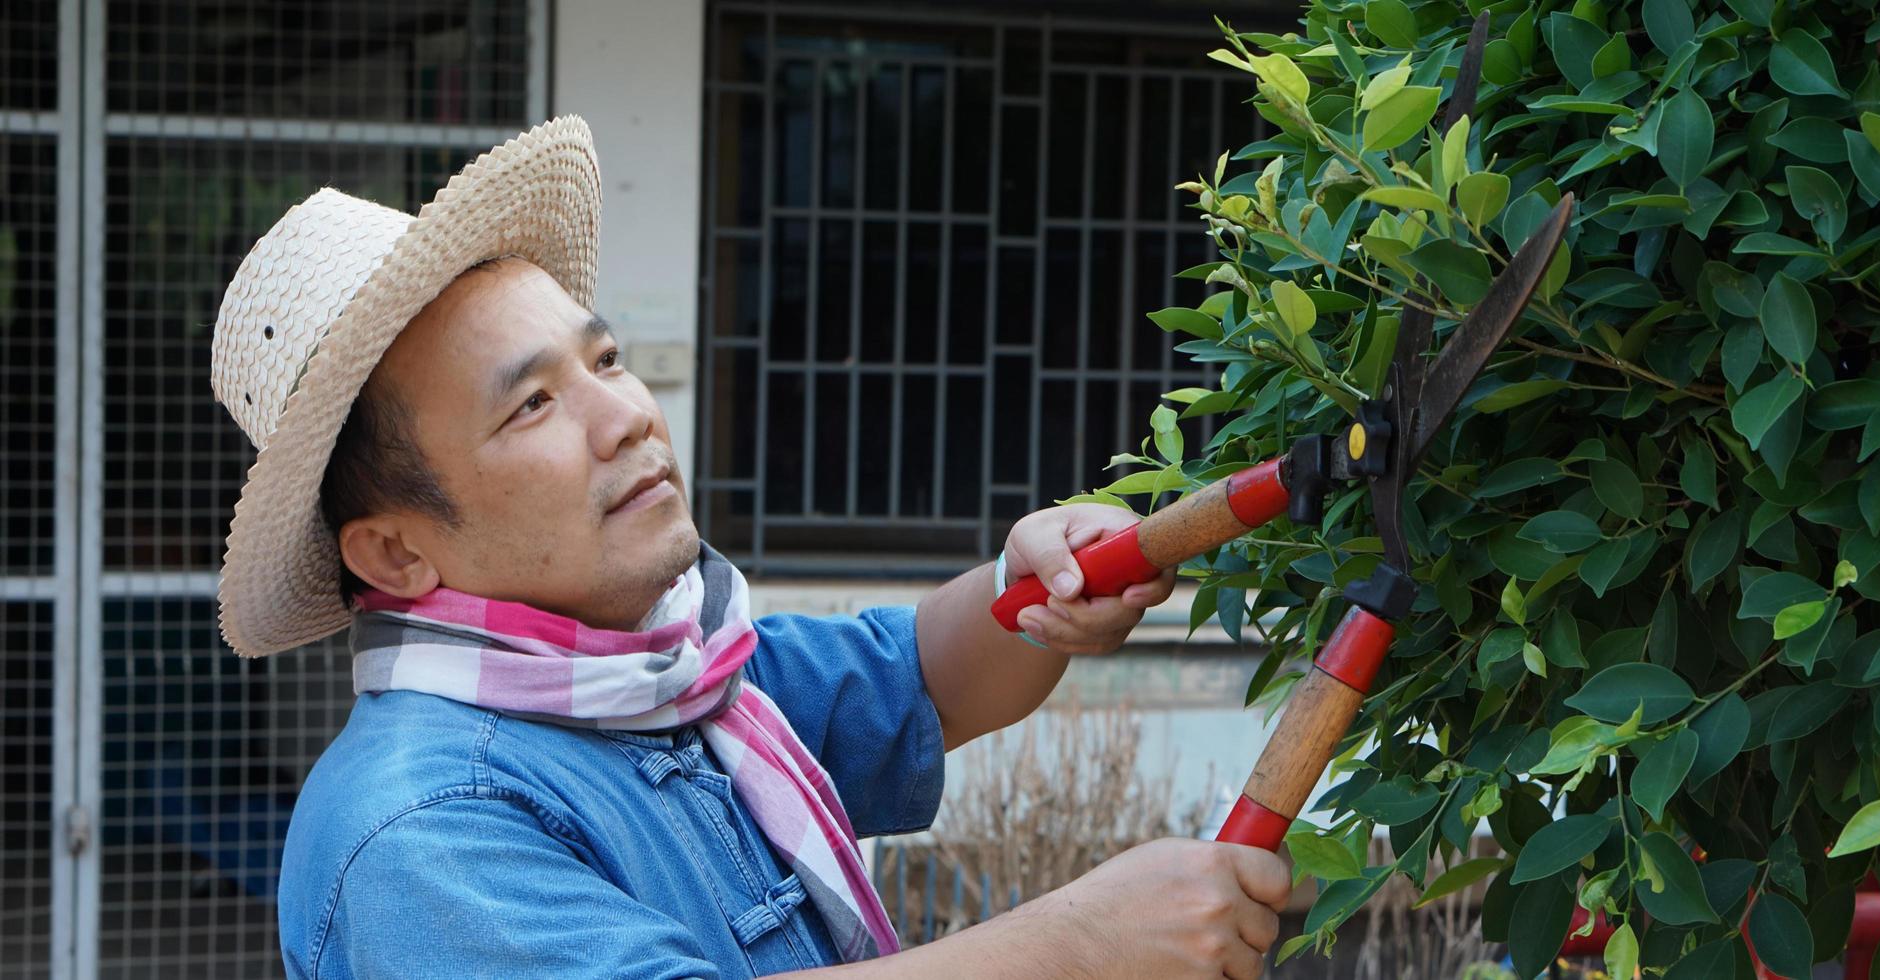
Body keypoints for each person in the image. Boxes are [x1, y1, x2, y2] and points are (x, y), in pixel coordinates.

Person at [209, 116, 1290, 979]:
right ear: (394, 552)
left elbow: (919, 671)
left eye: (607, 357)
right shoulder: (414, 830)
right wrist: (1087, 942)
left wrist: (1038, 575)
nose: (627, 413)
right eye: (532, 404)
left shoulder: (673, 672)